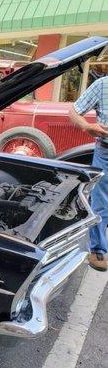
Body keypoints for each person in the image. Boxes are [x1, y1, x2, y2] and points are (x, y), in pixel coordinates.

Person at [69, 75, 108, 272]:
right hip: (106, 151)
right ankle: (99, 250)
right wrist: (86, 126)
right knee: (101, 200)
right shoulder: (102, 85)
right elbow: (74, 112)